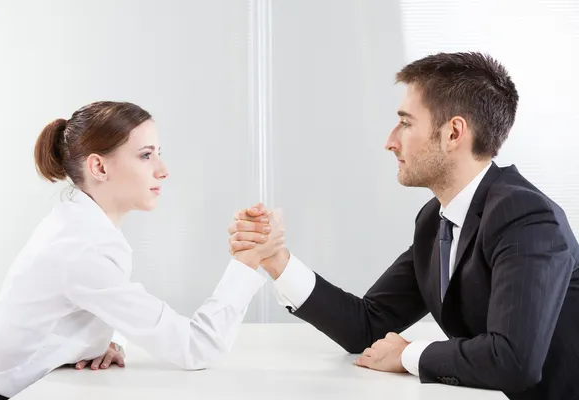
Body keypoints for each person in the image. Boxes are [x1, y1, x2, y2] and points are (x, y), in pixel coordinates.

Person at [228, 52, 579, 400]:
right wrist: (276, 259)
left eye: (406, 123)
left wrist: (410, 354)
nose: (390, 141)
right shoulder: (435, 220)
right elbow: (367, 326)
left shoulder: (525, 217)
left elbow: (514, 361)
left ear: (454, 133)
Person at [0, 101, 283, 400]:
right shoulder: (81, 249)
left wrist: (94, 342)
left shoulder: (77, 226)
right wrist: (248, 259)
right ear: (98, 166)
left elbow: (64, 315)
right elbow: (197, 347)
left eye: (158, 154)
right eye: (146, 156)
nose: (163, 170)